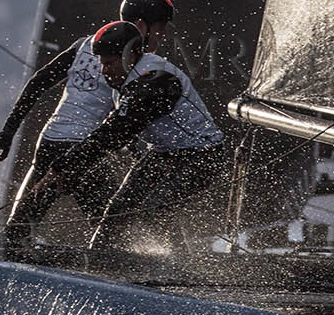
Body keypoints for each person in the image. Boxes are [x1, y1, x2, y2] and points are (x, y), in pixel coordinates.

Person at [0, 0, 176, 243]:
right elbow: (127, 120)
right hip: (80, 152)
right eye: (160, 28)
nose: (163, 35)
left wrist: (8, 131)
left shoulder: (85, 44)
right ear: (141, 25)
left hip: (49, 142)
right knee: (114, 233)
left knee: (15, 233)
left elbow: (38, 82)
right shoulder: (139, 61)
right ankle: (120, 271)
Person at [57, 21, 225, 252]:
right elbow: (118, 132)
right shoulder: (125, 74)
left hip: (203, 157)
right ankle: (99, 255)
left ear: (130, 55)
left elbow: (114, 134)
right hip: (164, 153)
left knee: (151, 211)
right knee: (117, 210)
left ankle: (167, 265)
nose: (104, 72)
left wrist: (63, 168)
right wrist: (66, 168)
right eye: (101, 65)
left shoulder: (156, 80)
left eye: (109, 64)